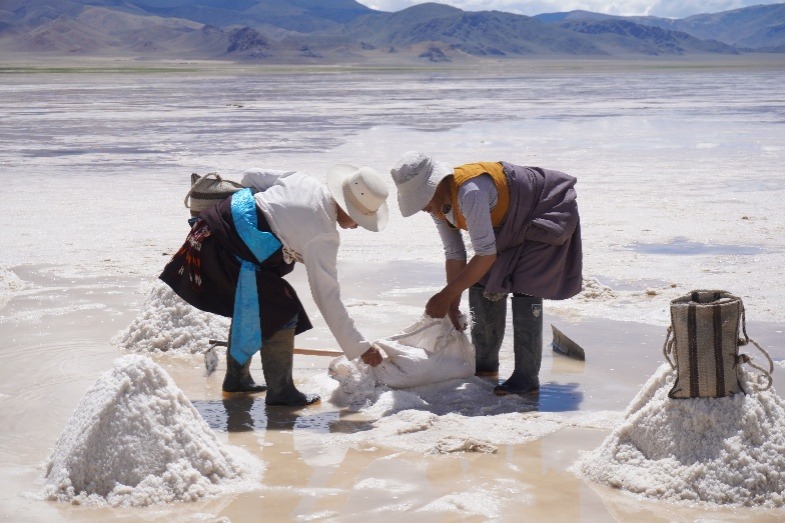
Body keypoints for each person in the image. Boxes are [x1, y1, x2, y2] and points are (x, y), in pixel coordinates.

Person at [160, 164, 388, 406]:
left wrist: (257, 220)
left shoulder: (302, 179)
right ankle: (281, 392)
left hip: (208, 230)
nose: (356, 226)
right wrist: (360, 347)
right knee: (281, 308)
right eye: (359, 218)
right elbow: (327, 297)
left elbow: (249, 176)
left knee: (255, 302)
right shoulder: (323, 236)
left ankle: (237, 381)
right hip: (226, 251)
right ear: (346, 206)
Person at [389, 152, 582, 396]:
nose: (424, 209)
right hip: (507, 223)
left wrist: (444, 296)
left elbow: (486, 255)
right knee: (482, 282)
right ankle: (485, 365)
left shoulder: (471, 193)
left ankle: (526, 378)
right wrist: (452, 305)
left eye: (423, 200)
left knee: (525, 288)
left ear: (436, 186)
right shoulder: (440, 208)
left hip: (543, 212)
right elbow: (455, 254)